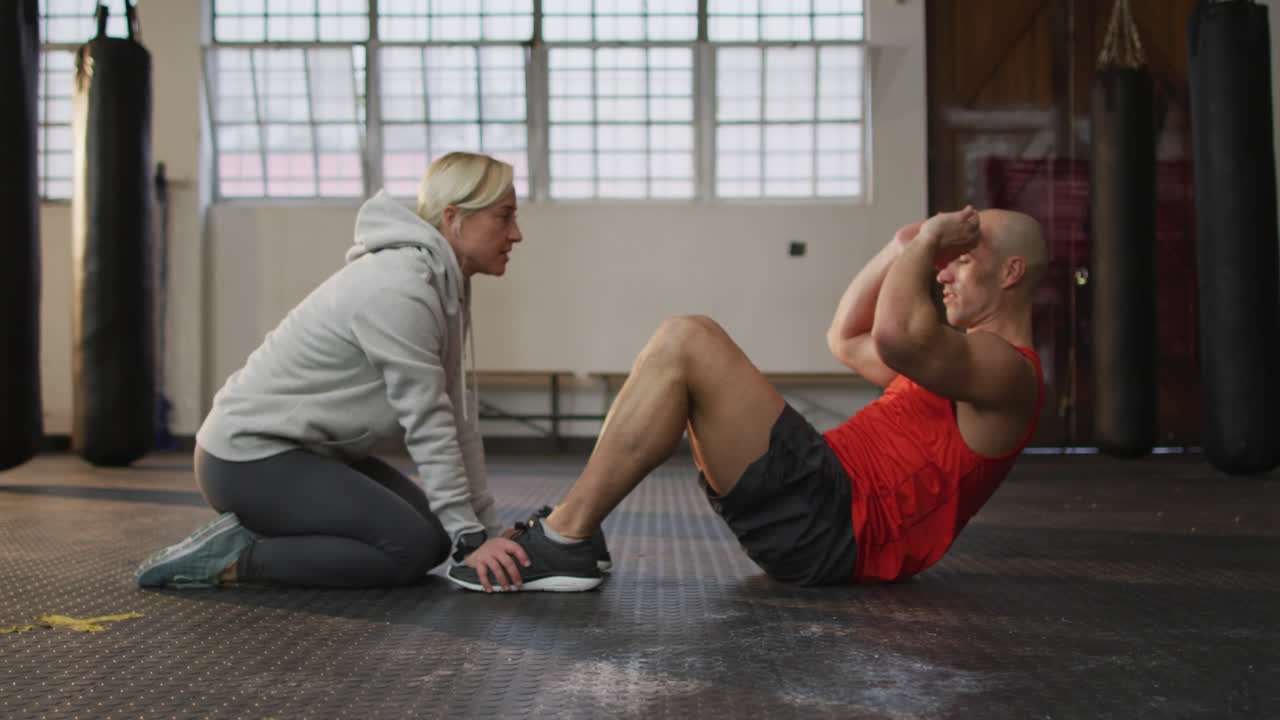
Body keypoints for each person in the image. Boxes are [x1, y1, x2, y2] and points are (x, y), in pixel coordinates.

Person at [446, 205, 1047, 592]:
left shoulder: (1008, 372)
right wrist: (902, 245)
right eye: (944, 262)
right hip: (821, 501)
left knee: (689, 338)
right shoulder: (958, 370)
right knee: (680, 344)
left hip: (838, 524)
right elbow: (847, 336)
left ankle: (565, 537)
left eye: (962, 262)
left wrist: (927, 245)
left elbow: (897, 334)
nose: (943, 272)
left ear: (1013, 273)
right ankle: (574, 530)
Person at [135, 151, 544, 590]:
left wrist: (484, 530)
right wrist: (470, 542)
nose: (516, 234)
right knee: (408, 548)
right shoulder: (401, 288)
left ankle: (270, 530)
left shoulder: (443, 284)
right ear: (454, 218)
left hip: (307, 453)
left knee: (434, 537)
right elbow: (428, 423)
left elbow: (459, 421)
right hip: (246, 459)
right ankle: (235, 558)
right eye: (505, 217)